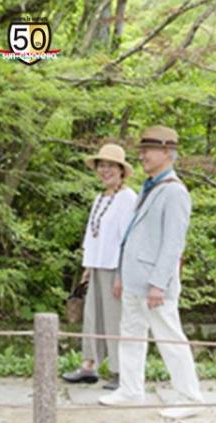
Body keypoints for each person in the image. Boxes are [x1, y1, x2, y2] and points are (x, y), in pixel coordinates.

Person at [98, 126, 204, 419]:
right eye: (142, 149)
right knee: (130, 335)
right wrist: (121, 273)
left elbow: (173, 243)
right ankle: (131, 389)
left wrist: (159, 283)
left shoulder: (174, 192)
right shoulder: (149, 187)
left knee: (169, 338)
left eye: (148, 150)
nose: (142, 155)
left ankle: (190, 397)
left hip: (156, 284)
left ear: (167, 153)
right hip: (133, 278)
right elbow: (131, 235)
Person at [62, 143, 137, 390]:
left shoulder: (128, 198)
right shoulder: (100, 198)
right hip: (96, 265)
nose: (105, 171)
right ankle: (88, 365)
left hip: (116, 267)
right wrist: (87, 266)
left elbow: (128, 239)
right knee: (92, 317)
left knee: (115, 319)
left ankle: (119, 371)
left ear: (121, 170)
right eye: (101, 166)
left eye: (110, 166)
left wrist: (122, 275)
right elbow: (93, 234)